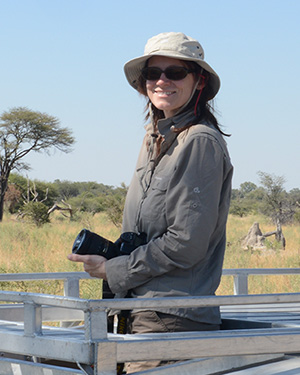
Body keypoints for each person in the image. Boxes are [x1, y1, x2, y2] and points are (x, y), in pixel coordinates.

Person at [68, 31, 233, 373]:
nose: (162, 81)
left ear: (198, 81)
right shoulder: (153, 139)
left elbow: (186, 242)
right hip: (137, 312)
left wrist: (114, 270)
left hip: (170, 320)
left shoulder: (199, 141)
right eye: (152, 73)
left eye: (175, 73)